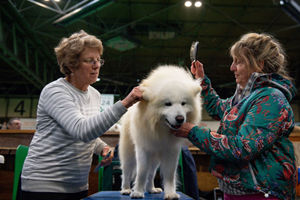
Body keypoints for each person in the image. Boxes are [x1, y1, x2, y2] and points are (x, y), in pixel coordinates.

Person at [171, 33, 297, 200]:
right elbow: (218, 108)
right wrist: (201, 80)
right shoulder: (247, 96)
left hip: (260, 194)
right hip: (240, 191)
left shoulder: (270, 100)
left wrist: (192, 131)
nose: (232, 68)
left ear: (259, 65)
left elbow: (242, 148)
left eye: (239, 62)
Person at [20, 30, 143, 200]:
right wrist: (125, 103)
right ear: (71, 65)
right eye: (89, 60)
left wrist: (102, 148)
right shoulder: (55, 91)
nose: (97, 65)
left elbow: (84, 133)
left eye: (99, 60)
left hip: (77, 186)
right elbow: (82, 131)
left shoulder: (94, 95)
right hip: (44, 185)